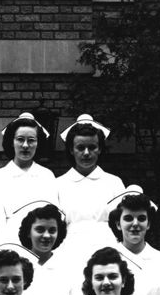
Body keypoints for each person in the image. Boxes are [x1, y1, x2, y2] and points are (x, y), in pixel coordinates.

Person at [53, 114, 125, 269]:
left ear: (99, 149)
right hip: (69, 257)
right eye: (80, 148)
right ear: (71, 150)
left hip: (107, 256)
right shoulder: (58, 185)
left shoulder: (114, 183)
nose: (86, 153)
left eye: (92, 147)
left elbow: (122, 225)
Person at [0, 112, 58, 242]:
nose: (25, 145)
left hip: (40, 244)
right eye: (20, 139)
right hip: (9, 243)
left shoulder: (47, 176)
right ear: (11, 142)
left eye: (31, 140)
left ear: (38, 144)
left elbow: (53, 216)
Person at [16, 202, 77, 295]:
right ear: (29, 233)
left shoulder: (69, 269)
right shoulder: (15, 267)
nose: (47, 236)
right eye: (40, 230)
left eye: (52, 230)